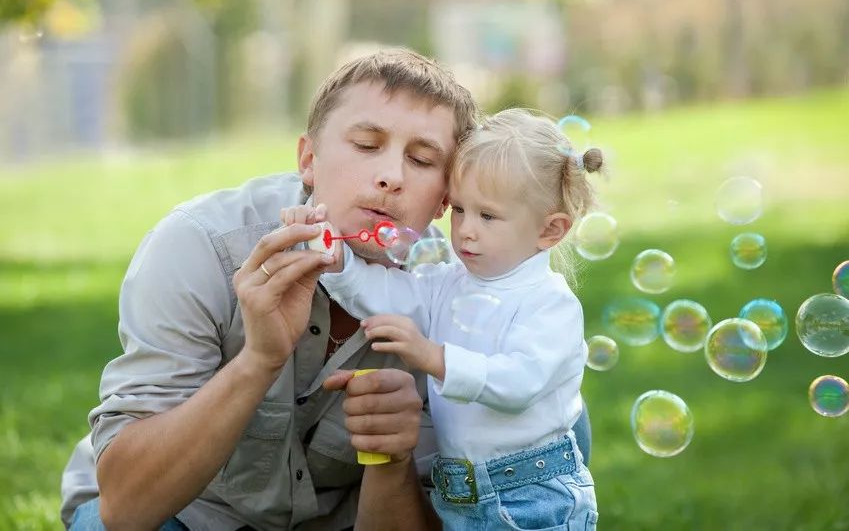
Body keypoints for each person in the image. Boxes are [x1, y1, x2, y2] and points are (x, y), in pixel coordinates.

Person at [59, 50, 592, 530]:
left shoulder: (460, 296)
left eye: (423, 160)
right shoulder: (202, 247)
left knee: (566, 421)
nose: (391, 176)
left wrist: (393, 458)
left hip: (344, 519)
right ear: (308, 160)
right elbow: (125, 510)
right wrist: (259, 360)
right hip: (190, 514)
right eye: (366, 144)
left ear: (445, 199)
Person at [296, 108, 602, 530]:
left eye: (487, 216)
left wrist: (434, 357)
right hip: (459, 494)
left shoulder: (549, 304)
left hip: (534, 495)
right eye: (459, 210)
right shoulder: (448, 283)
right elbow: (385, 295)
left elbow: (519, 383)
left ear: (549, 231)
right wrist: (332, 256)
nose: (465, 231)